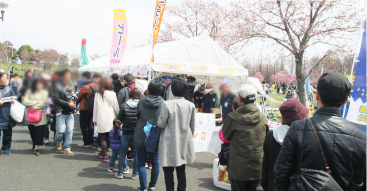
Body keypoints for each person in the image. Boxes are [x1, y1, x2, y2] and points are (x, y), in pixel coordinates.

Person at [274, 72, 366, 191]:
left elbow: (281, 172)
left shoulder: (298, 128)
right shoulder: (360, 137)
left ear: (317, 95)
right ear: (345, 100)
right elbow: (357, 183)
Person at [222, 84, 268, 191]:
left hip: (238, 167)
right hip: (257, 165)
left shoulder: (233, 117)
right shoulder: (262, 117)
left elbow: (226, 136)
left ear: (239, 98)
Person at [261, 98, 309, 191]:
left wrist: (266, 186)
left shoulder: (270, 136)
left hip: (273, 185)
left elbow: (265, 168)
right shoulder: (303, 136)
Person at [157, 77, 196, 191]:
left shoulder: (167, 104)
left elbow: (161, 124)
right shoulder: (190, 105)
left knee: (168, 171)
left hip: (169, 141)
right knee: (181, 170)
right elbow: (192, 127)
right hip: (183, 141)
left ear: (172, 90)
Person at [135, 79, 165, 191]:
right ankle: (152, 185)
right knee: (155, 161)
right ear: (161, 90)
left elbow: (138, 115)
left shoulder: (142, 102)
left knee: (141, 162)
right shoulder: (163, 104)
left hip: (142, 134)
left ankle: (143, 187)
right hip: (156, 135)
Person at [115, 87, 142, 179]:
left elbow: (120, 119)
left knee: (123, 152)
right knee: (137, 153)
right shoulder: (141, 105)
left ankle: (120, 172)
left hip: (126, 131)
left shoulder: (124, 105)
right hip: (137, 132)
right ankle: (135, 173)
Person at [93, 78, 119, 162]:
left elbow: (95, 108)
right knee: (110, 136)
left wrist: (95, 120)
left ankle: (105, 155)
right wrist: (119, 117)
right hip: (111, 117)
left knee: (103, 137)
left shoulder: (98, 94)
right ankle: (111, 153)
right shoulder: (113, 94)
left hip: (101, 117)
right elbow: (116, 107)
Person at [23, 78, 49, 156]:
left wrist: (32, 106)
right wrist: (35, 102)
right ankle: (34, 144)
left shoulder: (44, 92)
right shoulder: (29, 91)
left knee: (39, 132)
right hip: (31, 115)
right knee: (32, 131)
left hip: (40, 115)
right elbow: (25, 101)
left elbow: (43, 103)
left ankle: (36, 148)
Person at [52, 69, 76, 155]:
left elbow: (74, 98)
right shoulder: (57, 86)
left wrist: (75, 106)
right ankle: (58, 141)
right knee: (60, 130)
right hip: (60, 111)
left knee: (69, 130)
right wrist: (68, 104)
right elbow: (56, 99)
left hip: (70, 112)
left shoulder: (72, 85)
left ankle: (67, 147)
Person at [77, 72, 101, 147]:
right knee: (91, 125)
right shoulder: (97, 86)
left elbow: (78, 97)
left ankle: (86, 142)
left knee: (84, 125)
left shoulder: (85, 87)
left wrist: (76, 104)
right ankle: (91, 141)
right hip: (93, 108)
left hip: (84, 108)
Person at [0, 72, 17, 155]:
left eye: (6, 78)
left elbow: (14, 98)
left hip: (7, 115)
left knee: (7, 134)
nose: (6, 79)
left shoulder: (9, 89)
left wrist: (13, 100)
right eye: (4, 78)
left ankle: (6, 147)